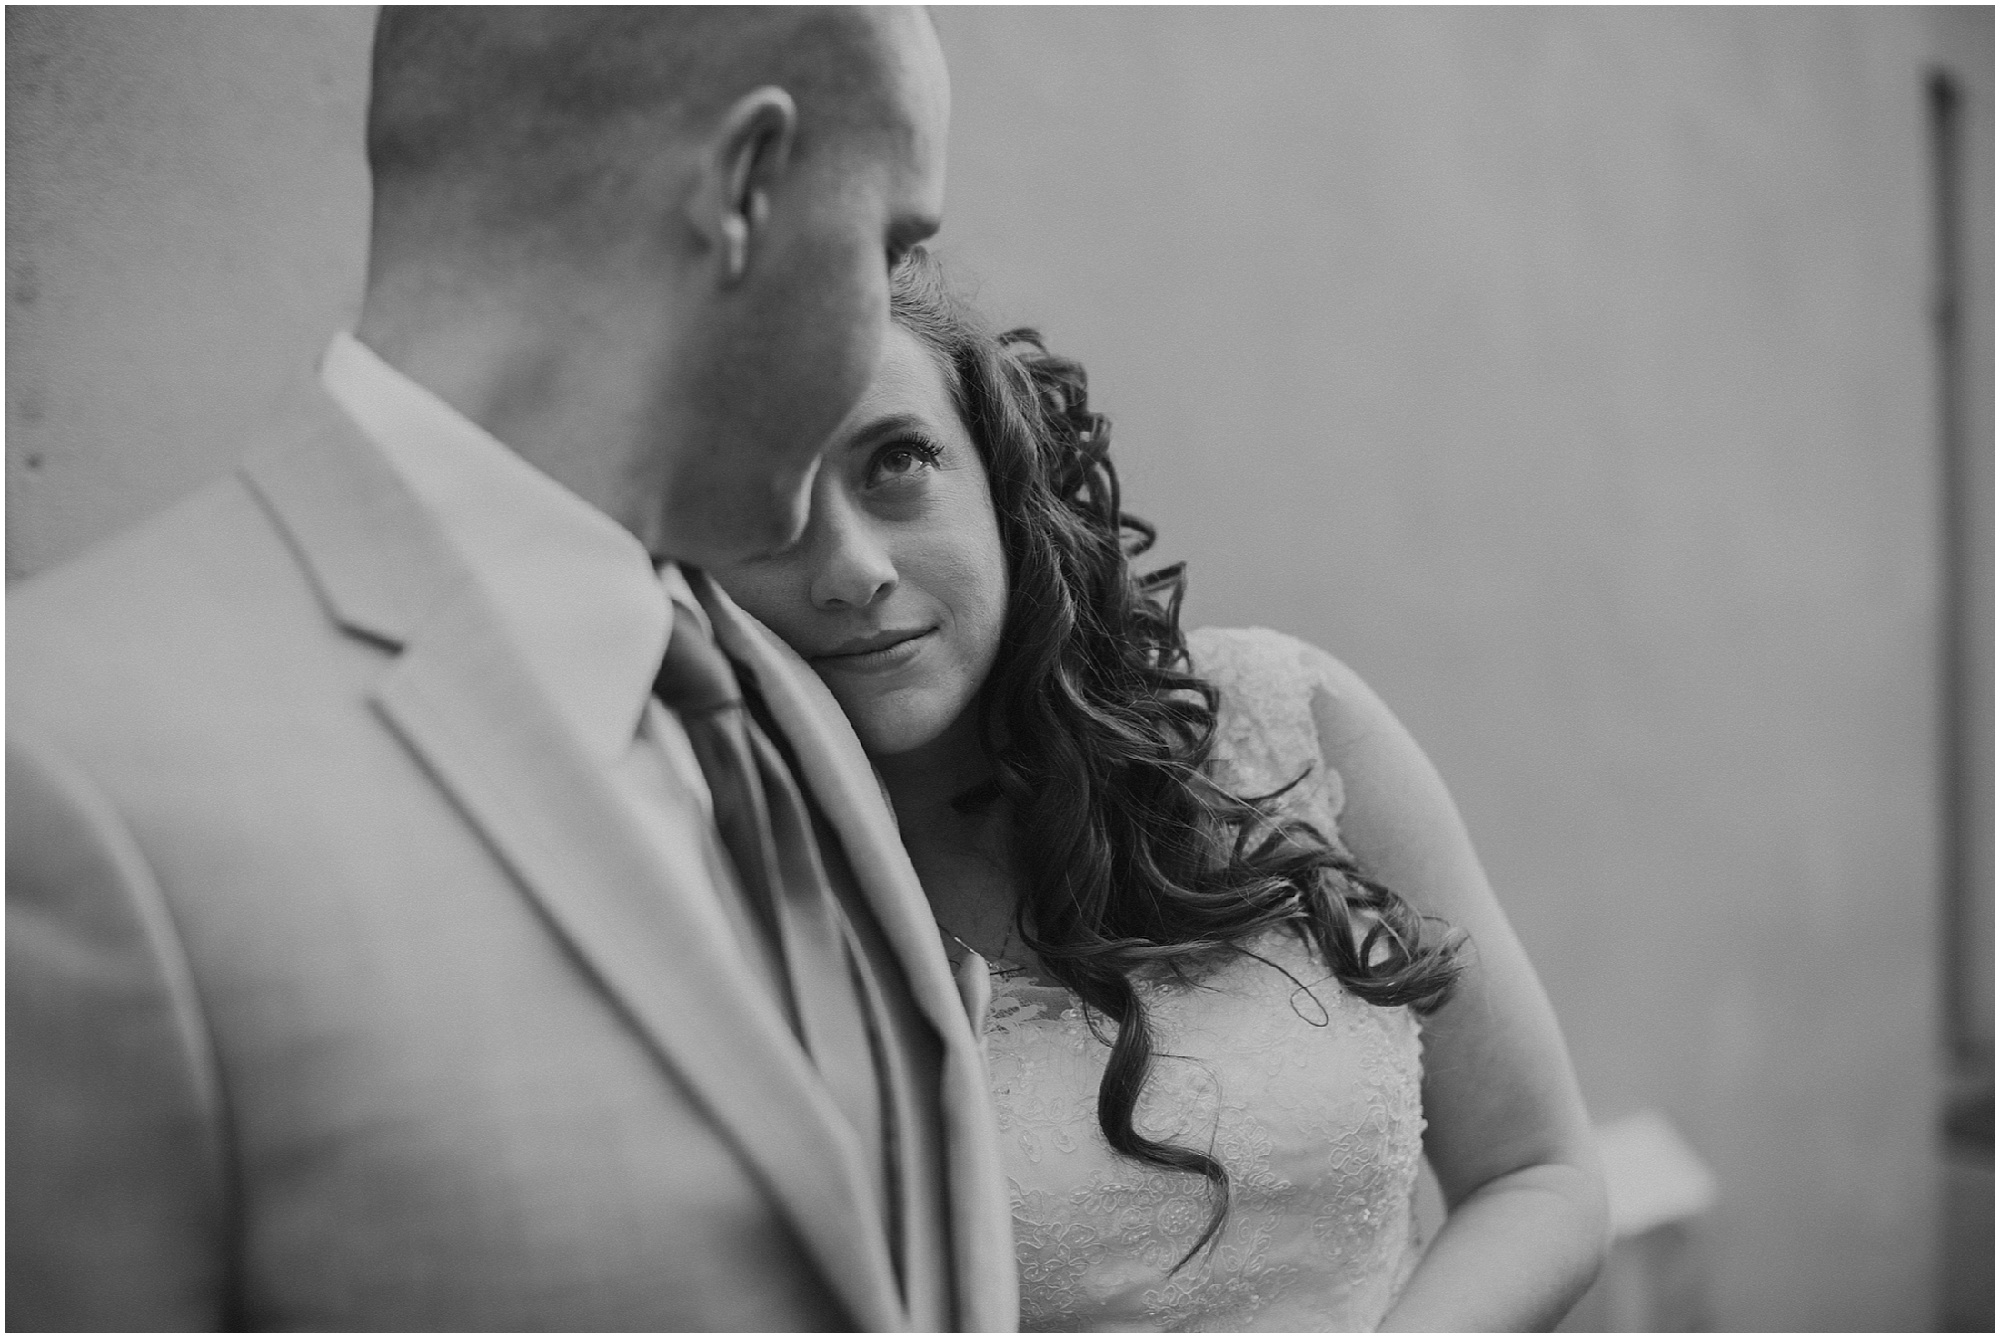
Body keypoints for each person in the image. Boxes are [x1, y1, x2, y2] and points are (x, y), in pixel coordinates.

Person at [7, 9, 1020, 1331]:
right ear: (747, 188)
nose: (888, 307)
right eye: (887, 246)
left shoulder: (767, 696)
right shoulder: (57, 776)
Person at [712, 249, 1610, 1331]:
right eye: (766, 507)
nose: (850, 565)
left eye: (895, 460)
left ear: (997, 482)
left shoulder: (1285, 721)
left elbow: (1538, 1176)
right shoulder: (716, 897)